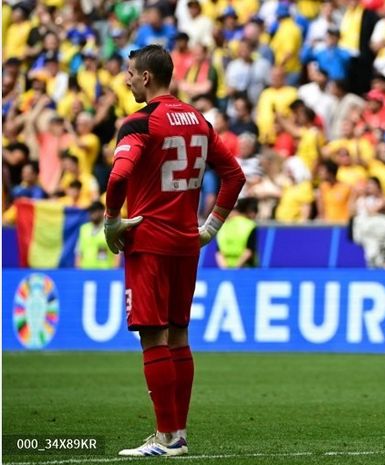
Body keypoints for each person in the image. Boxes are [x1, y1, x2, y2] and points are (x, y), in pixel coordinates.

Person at [103, 45, 246, 457]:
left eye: (130, 73)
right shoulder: (199, 120)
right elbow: (234, 176)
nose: (126, 79)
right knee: (179, 336)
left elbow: (118, 178)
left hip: (148, 241)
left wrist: (113, 219)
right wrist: (211, 226)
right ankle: (177, 434)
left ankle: (166, 437)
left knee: (153, 337)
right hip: (186, 243)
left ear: (147, 77)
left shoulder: (140, 122)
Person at [216, 198, 258, 268]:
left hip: (225, 270)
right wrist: (235, 269)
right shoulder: (250, 225)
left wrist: (225, 270)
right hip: (246, 270)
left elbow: (219, 252)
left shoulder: (223, 226)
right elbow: (249, 251)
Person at [75, 201, 119, 269]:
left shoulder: (111, 229)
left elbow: (117, 254)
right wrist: (78, 271)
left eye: (95, 210)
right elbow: (79, 252)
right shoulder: (84, 229)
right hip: (86, 272)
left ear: (102, 212)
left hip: (105, 272)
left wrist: (114, 272)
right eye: (91, 211)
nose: (92, 213)